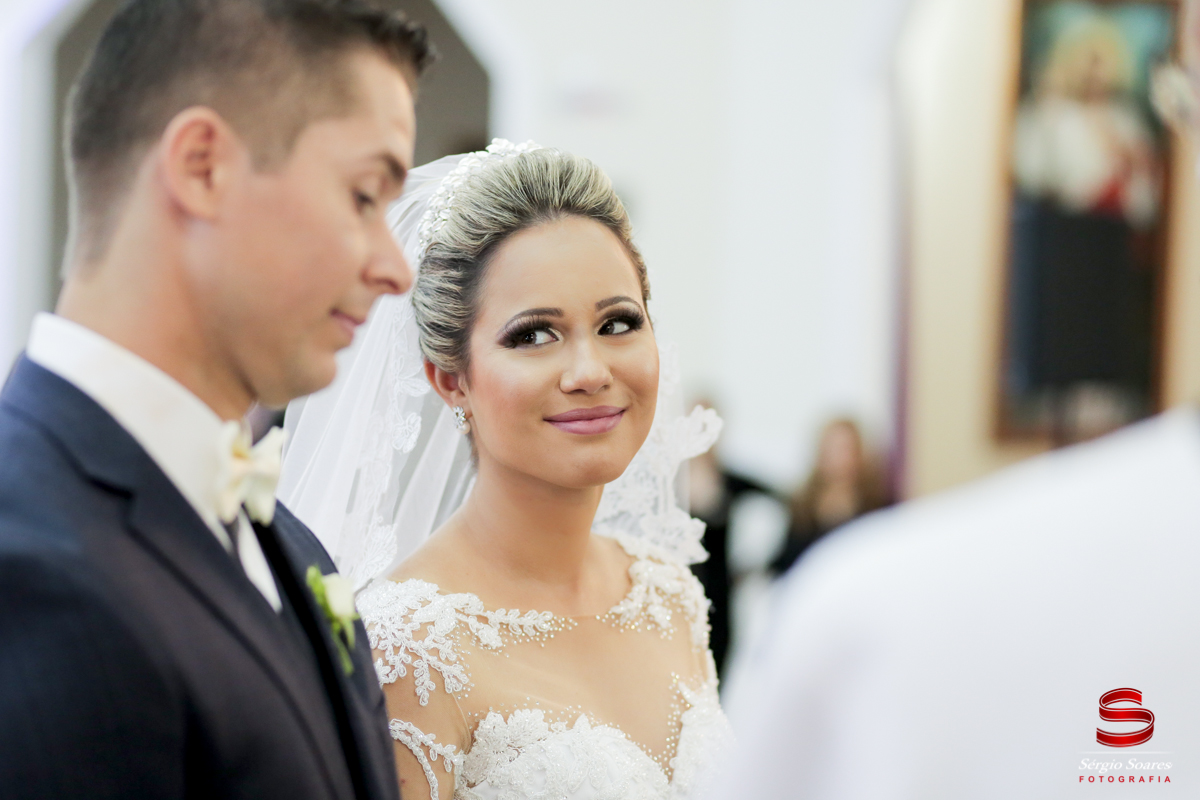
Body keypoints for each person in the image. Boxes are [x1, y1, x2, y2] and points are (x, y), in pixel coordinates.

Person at [0, 1, 431, 797]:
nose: (395, 269)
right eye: (366, 197)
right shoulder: (28, 565)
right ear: (202, 166)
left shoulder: (289, 541)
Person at [277, 141, 732, 800]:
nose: (590, 372)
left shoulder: (669, 595)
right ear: (451, 380)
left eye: (618, 323)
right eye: (533, 335)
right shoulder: (410, 650)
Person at [768, 417, 889, 576]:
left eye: (847, 449)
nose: (841, 458)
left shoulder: (876, 506)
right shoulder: (803, 507)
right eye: (834, 449)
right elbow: (787, 560)